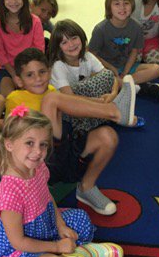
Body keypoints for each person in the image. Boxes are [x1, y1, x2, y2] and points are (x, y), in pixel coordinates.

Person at [0, 108, 123, 257]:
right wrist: (58, 247)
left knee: (82, 220)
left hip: (46, 225)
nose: (38, 152)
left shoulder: (37, 166)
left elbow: (46, 196)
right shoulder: (9, 192)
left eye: (43, 145)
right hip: (20, 249)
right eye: (29, 143)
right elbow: (18, 242)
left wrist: (60, 225)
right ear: (9, 144)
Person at [11, 46, 133, 215]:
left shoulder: (53, 91)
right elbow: (21, 132)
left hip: (66, 156)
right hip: (42, 161)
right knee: (51, 100)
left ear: (49, 72)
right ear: (19, 81)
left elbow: (76, 101)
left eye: (42, 72)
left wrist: (103, 101)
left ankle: (86, 187)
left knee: (108, 136)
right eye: (30, 75)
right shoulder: (15, 98)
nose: (38, 78)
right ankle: (116, 112)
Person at [90, 0, 159, 95]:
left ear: (132, 5)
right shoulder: (100, 29)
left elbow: (134, 51)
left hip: (126, 66)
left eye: (126, 3)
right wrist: (111, 68)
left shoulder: (137, 27)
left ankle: (122, 85)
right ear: (109, 7)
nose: (122, 8)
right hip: (105, 68)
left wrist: (125, 72)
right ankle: (138, 88)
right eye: (117, 4)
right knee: (92, 75)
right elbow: (92, 54)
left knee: (157, 69)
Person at [0, 0, 45, 96]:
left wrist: (26, 75)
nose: (13, 1)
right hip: (9, 70)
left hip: (31, 69)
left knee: (33, 96)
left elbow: (38, 52)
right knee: (8, 96)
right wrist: (14, 75)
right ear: (2, 0)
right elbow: (0, 54)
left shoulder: (35, 21)